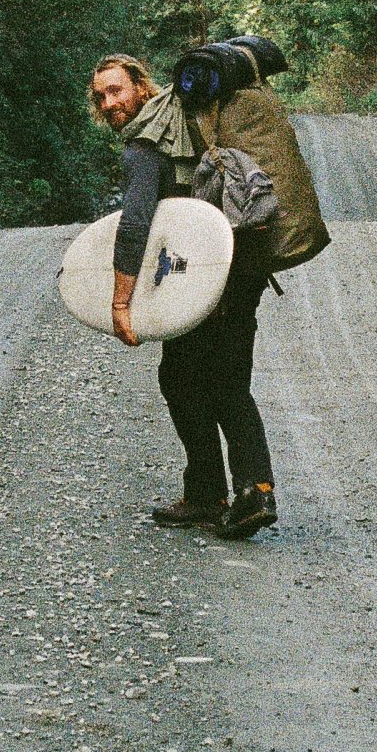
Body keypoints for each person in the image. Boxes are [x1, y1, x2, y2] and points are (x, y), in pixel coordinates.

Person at [89, 51, 280, 541]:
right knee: (227, 379)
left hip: (202, 272)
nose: (110, 102)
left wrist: (119, 302)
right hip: (243, 263)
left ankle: (210, 496)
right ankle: (252, 490)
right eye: (101, 95)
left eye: (117, 90)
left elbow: (135, 226)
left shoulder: (146, 141)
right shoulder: (188, 118)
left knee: (182, 377)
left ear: (140, 86)